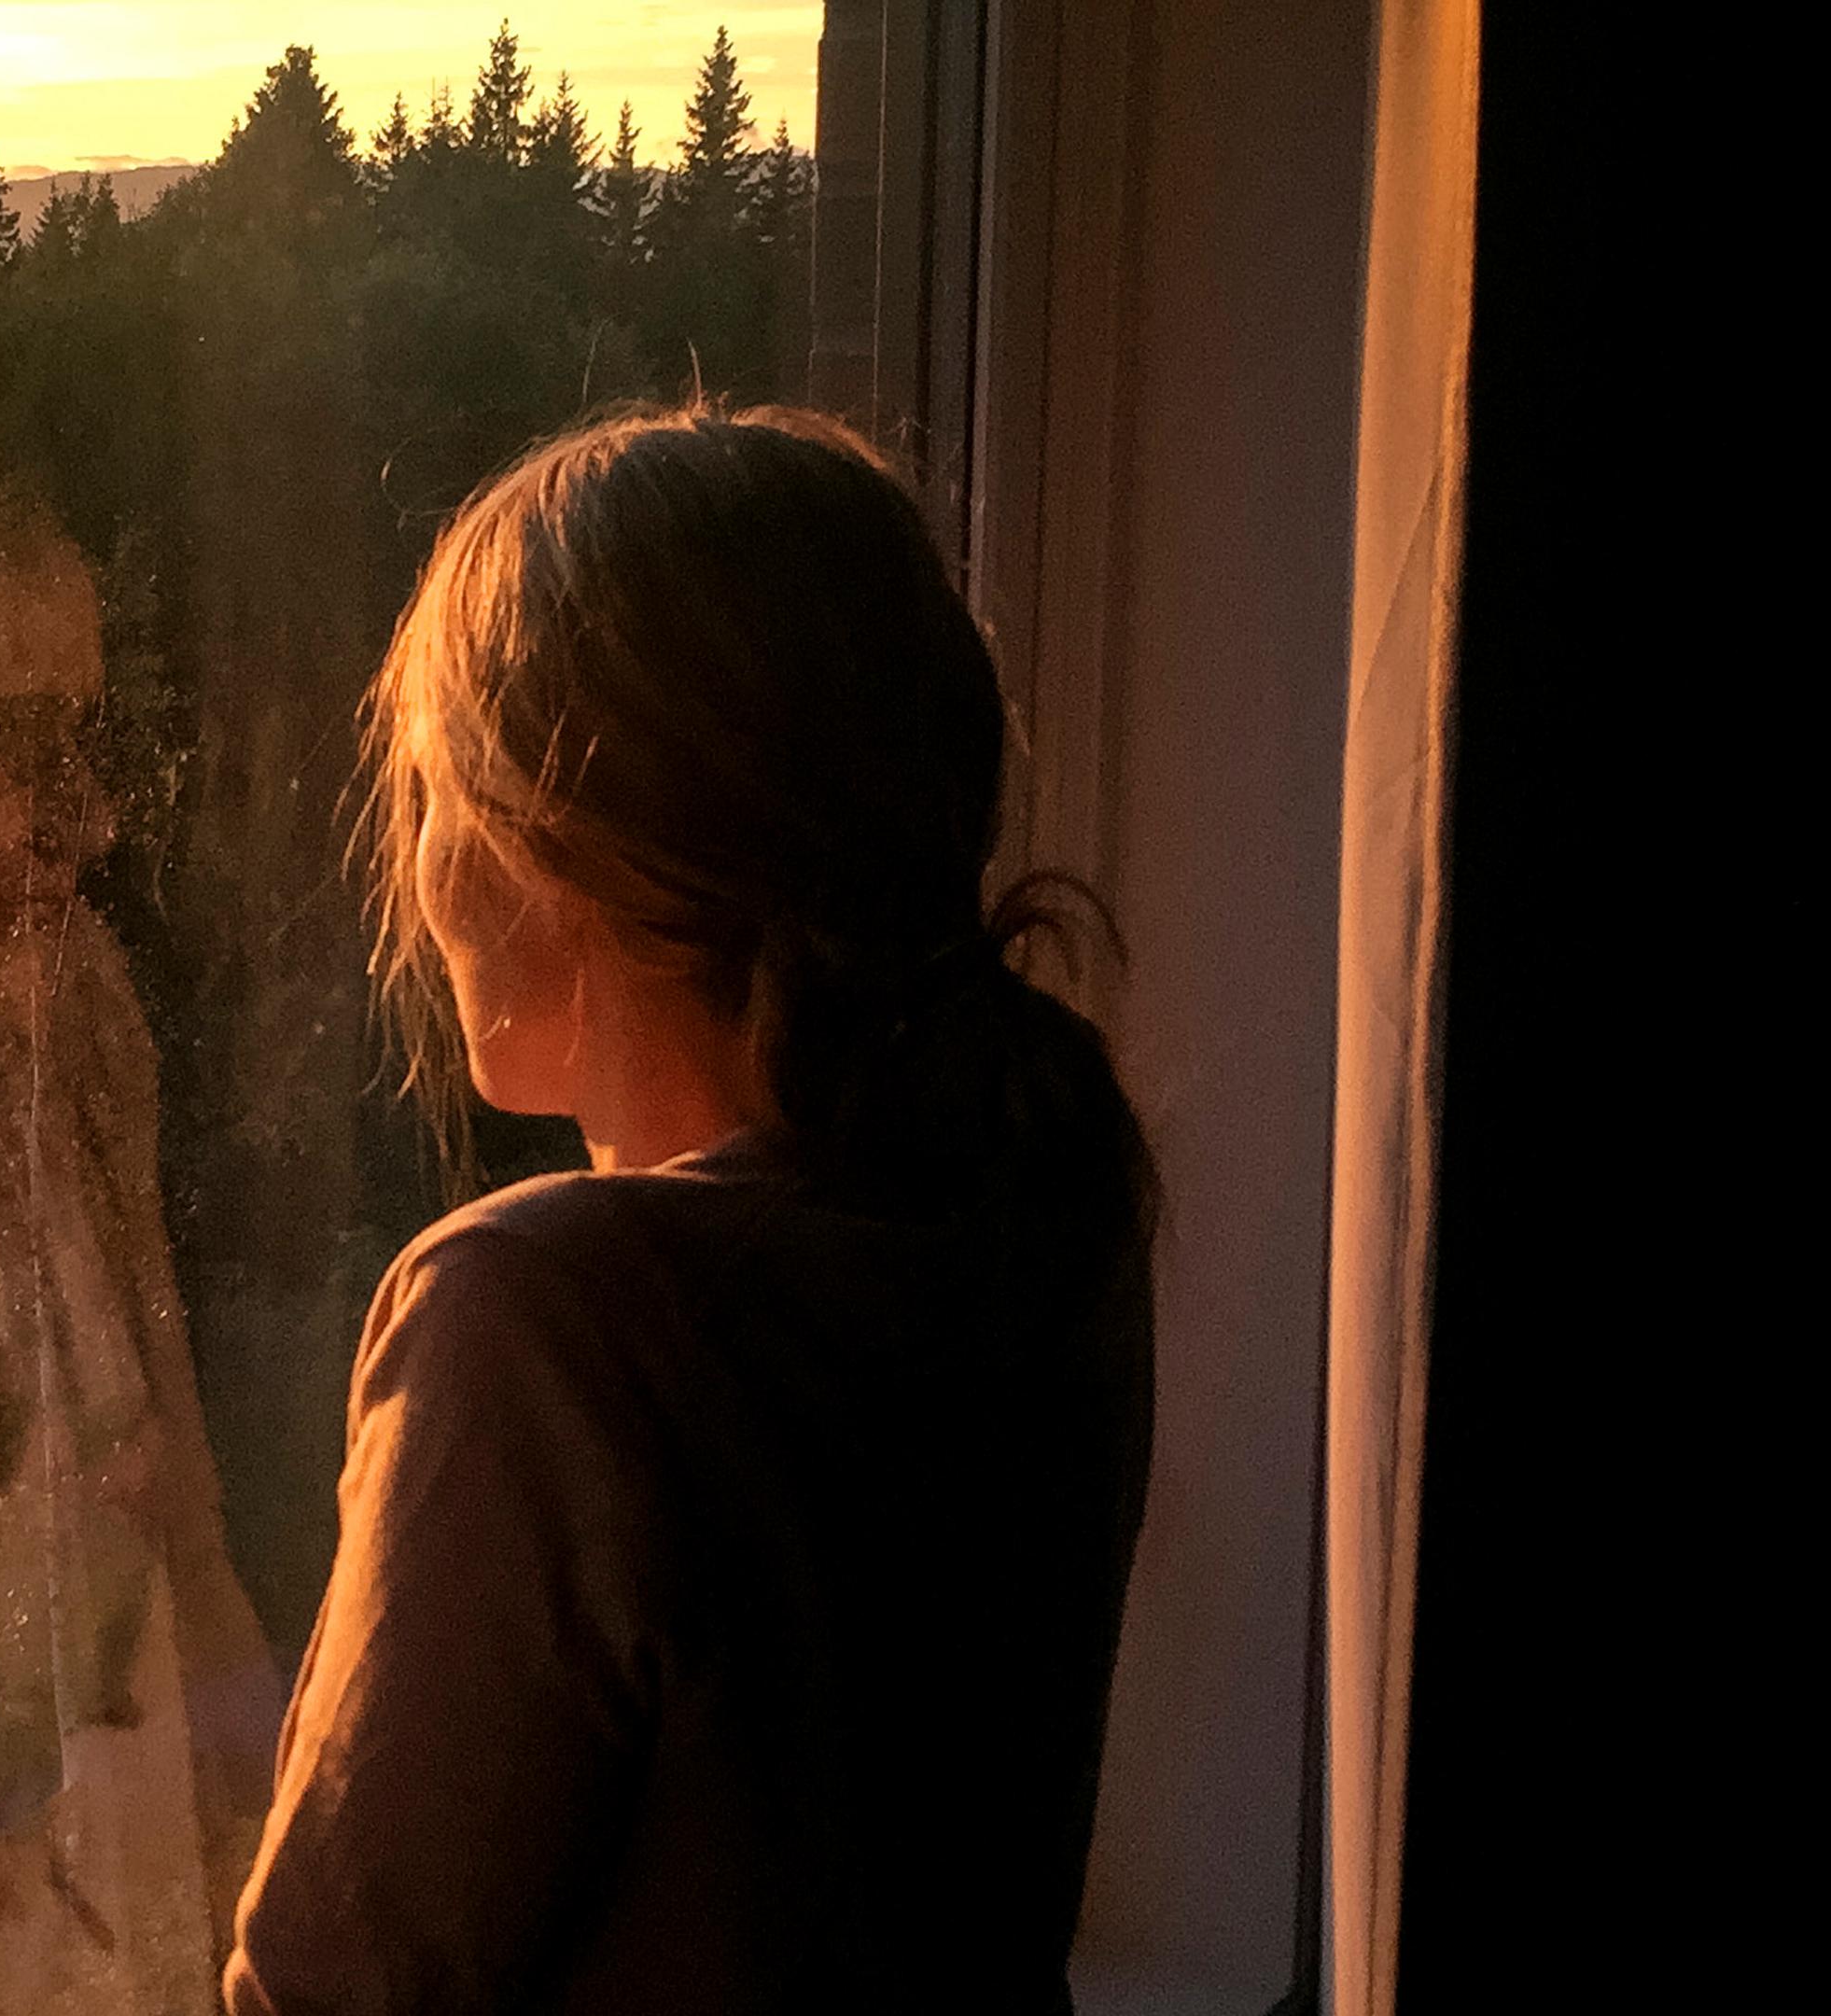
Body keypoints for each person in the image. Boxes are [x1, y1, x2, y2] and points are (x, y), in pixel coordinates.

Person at [224, 403, 1162, 2014]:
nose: (422, 862)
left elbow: (329, 1992)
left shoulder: (543, 1323)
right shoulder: (1044, 1187)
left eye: (445, 786)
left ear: (563, 849)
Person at [0, 454, 285, 2013]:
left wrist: (261, 1832)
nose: (89, 820)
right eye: (6, 742)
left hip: (118, 1881)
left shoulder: (84, 1021)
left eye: (87, 740)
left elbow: (182, 1505)